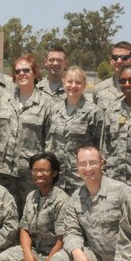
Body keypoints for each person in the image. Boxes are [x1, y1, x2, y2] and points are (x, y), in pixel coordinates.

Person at [50, 144, 131, 261]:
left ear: (102, 163)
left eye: (93, 163)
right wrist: (77, 251)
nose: (88, 168)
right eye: (83, 164)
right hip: (96, 260)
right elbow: (71, 230)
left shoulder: (122, 192)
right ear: (77, 167)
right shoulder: (76, 198)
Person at [0, 153, 70, 261]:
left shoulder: (61, 200)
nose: (39, 174)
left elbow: (62, 241)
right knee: (4, 259)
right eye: (35, 170)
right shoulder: (32, 196)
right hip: (38, 253)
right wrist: (27, 252)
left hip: (56, 258)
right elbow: (24, 228)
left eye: (44, 171)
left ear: (55, 173)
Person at [0, 54, 52, 212]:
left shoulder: (47, 104)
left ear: (35, 73)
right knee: (5, 214)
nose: (21, 74)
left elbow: (50, 141)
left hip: (31, 174)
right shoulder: (3, 100)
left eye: (26, 70)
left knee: (31, 216)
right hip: (3, 172)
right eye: (17, 71)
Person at [46, 66, 104, 194]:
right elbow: (49, 142)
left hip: (82, 178)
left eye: (78, 82)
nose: (73, 85)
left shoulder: (94, 112)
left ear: (84, 85)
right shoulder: (54, 109)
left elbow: (101, 147)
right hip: (57, 178)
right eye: (70, 81)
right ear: (63, 82)